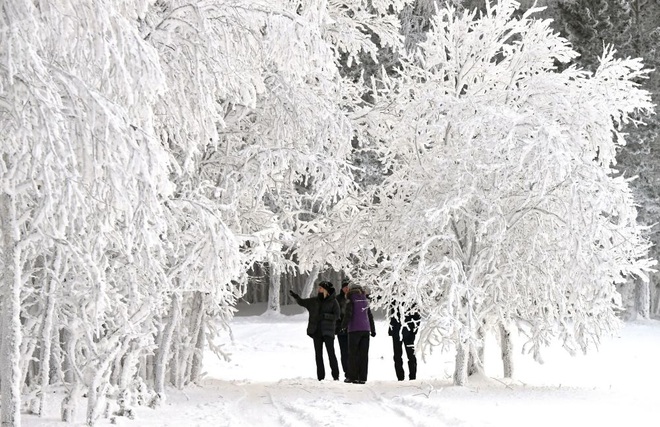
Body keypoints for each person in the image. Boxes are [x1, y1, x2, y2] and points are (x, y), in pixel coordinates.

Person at [289, 281, 340, 381]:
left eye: (320, 288)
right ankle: (320, 377)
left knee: (331, 353)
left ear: (325, 290)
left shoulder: (333, 302)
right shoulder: (314, 301)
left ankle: (335, 376)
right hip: (316, 331)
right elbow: (303, 302)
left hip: (328, 331)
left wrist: (325, 316)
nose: (318, 289)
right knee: (318, 355)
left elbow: (337, 316)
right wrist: (296, 297)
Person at [341, 284, 375, 384]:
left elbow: (348, 315)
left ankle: (353, 377)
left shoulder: (351, 300)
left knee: (353, 354)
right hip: (365, 330)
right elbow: (369, 316)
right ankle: (362, 377)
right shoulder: (365, 300)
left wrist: (343, 326)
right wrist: (372, 329)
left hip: (354, 330)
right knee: (364, 355)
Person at [388, 301, 420, 381]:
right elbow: (417, 317)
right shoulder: (411, 300)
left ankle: (402, 377)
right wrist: (414, 330)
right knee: (409, 355)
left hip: (399, 331)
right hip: (407, 331)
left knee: (399, 355)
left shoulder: (395, 300)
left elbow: (393, 315)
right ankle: (410, 376)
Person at [335, 278, 350, 379]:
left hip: (352, 329)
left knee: (352, 352)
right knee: (344, 352)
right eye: (345, 287)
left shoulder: (353, 298)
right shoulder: (337, 299)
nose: (347, 289)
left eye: (348, 287)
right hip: (341, 329)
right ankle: (346, 372)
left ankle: (353, 371)